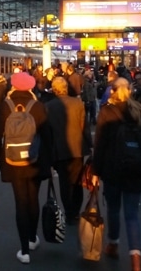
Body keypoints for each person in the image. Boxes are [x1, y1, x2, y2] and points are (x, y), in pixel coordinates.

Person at [91, 77, 141, 271]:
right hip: (136, 171)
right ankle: (135, 259)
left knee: (114, 209)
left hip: (113, 169)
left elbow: (99, 145)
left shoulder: (107, 112)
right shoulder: (140, 111)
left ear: (113, 91)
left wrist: (96, 171)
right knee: (132, 214)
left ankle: (113, 244)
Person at [0, 71, 50, 264]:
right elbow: (48, 137)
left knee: (21, 203)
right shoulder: (39, 107)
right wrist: (48, 161)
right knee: (33, 200)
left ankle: (24, 251)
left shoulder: (6, 106)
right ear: (31, 86)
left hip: (12, 162)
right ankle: (33, 239)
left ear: (14, 86)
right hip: (34, 161)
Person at [46, 75, 92, 224]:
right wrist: (89, 145)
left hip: (59, 150)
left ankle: (69, 212)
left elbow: (48, 131)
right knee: (77, 180)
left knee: (64, 183)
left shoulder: (49, 106)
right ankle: (76, 211)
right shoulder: (78, 103)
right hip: (77, 148)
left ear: (54, 90)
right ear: (66, 88)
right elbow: (84, 126)